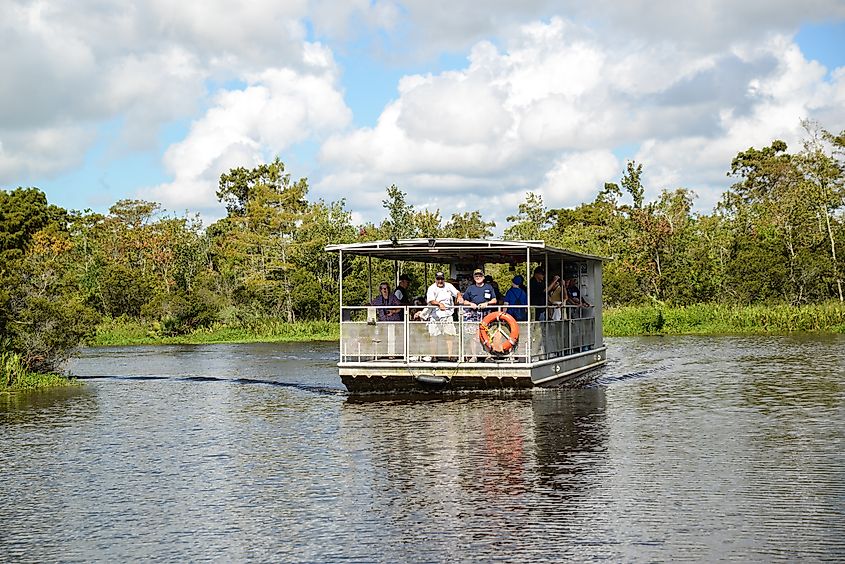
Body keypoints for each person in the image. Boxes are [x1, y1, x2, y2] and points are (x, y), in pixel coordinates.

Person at [458, 268, 497, 361]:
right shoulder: (470, 288)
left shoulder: (489, 287)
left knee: (487, 334)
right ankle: (474, 356)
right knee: (473, 335)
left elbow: (494, 300)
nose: (478, 277)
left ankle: (488, 355)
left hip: (486, 313)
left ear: (483, 277)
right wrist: (471, 304)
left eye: (480, 275)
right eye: (476, 276)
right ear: (474, 277)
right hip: (473, 313)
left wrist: (486, 304)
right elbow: (464, 300)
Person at [426, 271, 459, 359]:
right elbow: (431, 300)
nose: (440, 281)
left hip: (447, 314)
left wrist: (459, 296)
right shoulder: (431, 288)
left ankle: (450, 356)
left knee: (449, 335)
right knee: (433, 336)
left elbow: (457, 292)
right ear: (435, 279)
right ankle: (433, 356)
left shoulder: (448, 286)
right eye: (438, 279)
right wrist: (439, 304)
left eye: (442, 279)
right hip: (435, 314)